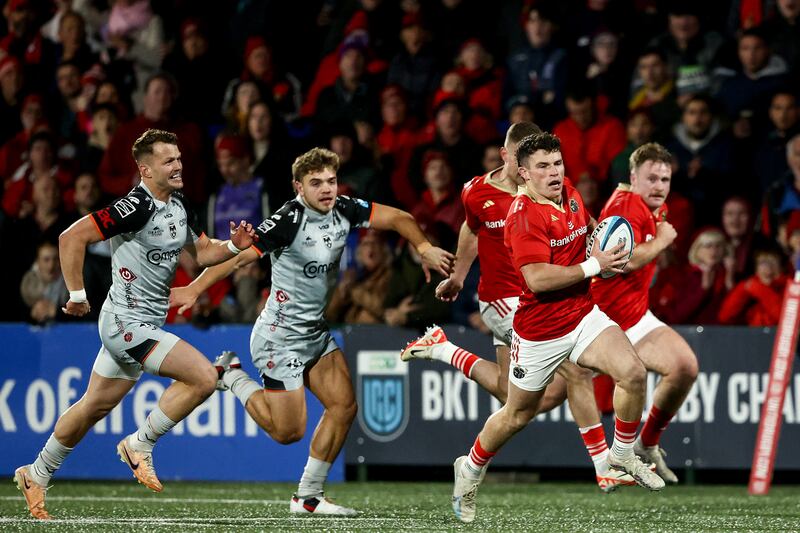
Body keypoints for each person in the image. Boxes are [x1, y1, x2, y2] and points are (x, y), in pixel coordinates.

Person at [169, 147, 455, 516]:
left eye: (331, 181)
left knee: (344, 406)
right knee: (288, 433)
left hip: (315, 334)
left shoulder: (346, 209)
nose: (326, 189)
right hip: (279, 338)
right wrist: (194, 288)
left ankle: (308, 497)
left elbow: (399, 218)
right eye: (316, 182)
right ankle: (232, 376)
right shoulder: (287, 218)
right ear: (298, 187)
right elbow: (240, 258)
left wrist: (425, 247)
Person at [13, 129, 257, 520]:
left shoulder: (179, 203)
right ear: (145, 169)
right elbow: (70, 238)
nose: (178, 165)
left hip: (139, 322)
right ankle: (140, 444)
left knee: (94, 405)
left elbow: (205, 251)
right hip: (127, 323)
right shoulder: (133, 207)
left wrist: (233, 247)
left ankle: (36, 473)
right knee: (203, 378)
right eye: (168, 160)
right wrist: (76, 295)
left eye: (178, 158)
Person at [403, 122, 637, 493]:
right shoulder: (478, 192)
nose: (542, 169)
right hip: (503, 298)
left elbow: (581, 224)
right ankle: (603, 465)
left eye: (550, 163)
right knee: (575, 373)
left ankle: (444, 350)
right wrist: (459, 277)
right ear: (508, 156)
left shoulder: (553, 190)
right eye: (528, 162)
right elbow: (471, 228)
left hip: (536, 296)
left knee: (514, 396)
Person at [442, 132, 663, 523]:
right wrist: (596, 266)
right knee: (517, 413)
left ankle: (622, 454)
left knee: (632, 372)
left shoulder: (572, 194)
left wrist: (606, 242)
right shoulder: (522, 216)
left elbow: (589, 228)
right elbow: (538, 279)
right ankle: (471, 469)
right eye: (543, 166)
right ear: (524, 174)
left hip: (582, 313)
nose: (554, 172)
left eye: (557, 164)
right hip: (540, 330)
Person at [591, 142, 700, 484]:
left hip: (635, 318)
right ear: (633, 177)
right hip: (598, 324)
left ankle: (646, 444)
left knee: (683, 367)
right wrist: (664, 240)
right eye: (651, 178)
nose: (659, 186)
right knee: (527, 403)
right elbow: (626, 260)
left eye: (665, 179)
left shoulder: (651, 205)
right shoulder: (624, 207)